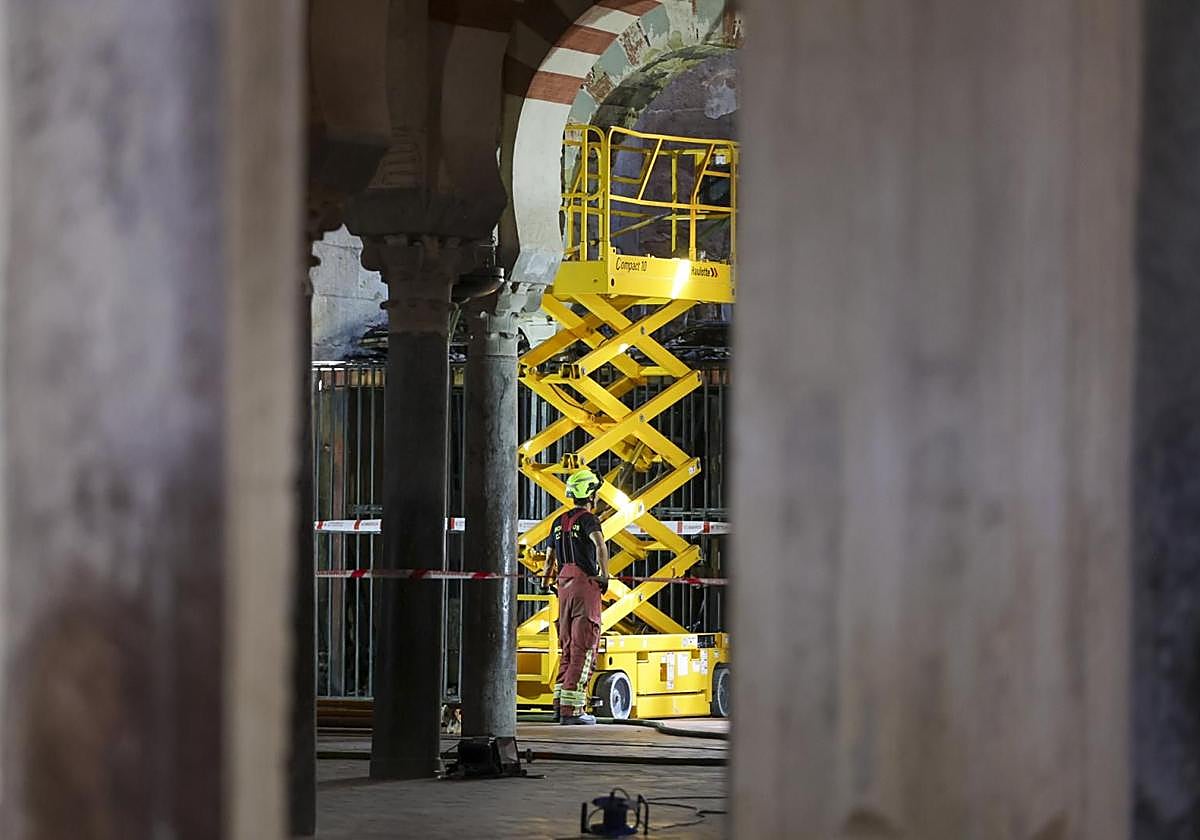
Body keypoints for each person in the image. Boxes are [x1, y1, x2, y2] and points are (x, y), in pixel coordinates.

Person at [541, 467, 610, 725]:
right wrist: (605, 575)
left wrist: (546, 582)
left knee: (567, 646)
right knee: (584, 645)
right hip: (584, 586)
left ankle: (559, 706)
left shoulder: (558, 522)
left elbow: (549, 559)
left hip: (563, 586)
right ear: (590, 494)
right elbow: (600, 546)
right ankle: (574, 710)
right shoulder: (590, 521)